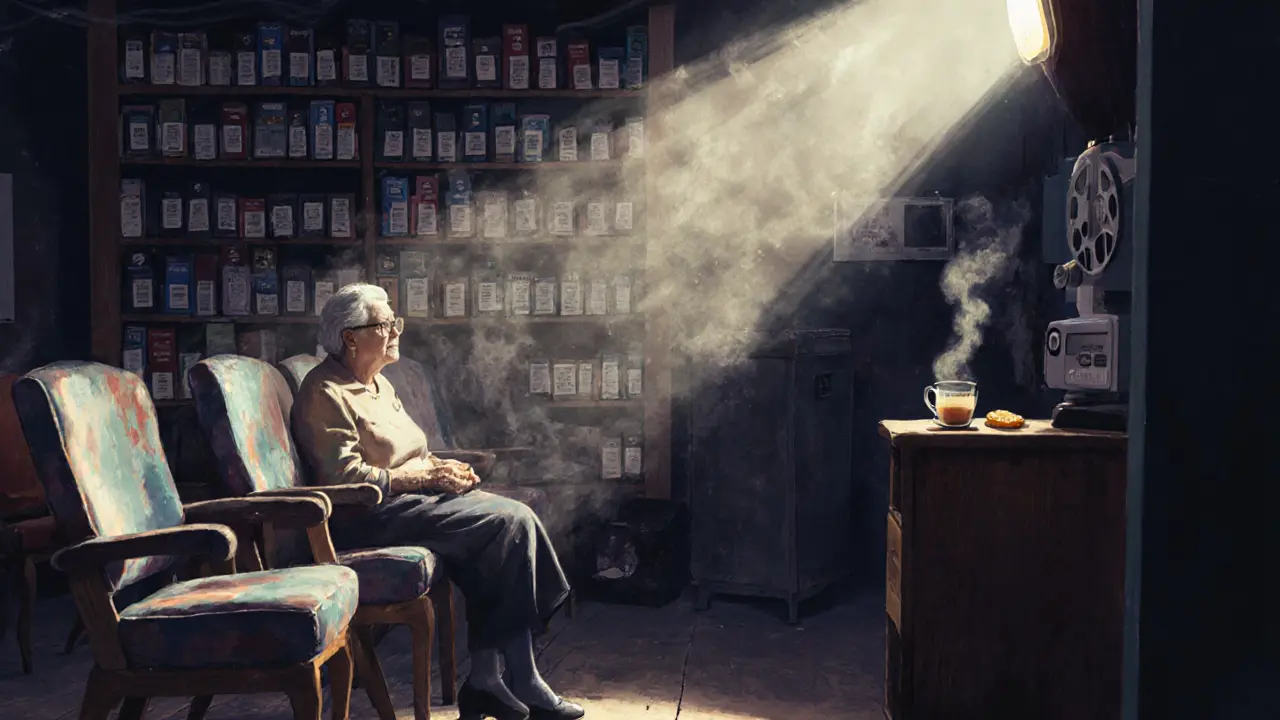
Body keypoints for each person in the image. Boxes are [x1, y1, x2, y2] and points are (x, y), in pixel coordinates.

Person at [291, 283, 583, 720]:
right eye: (385, 324)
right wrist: (424, 476)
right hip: (369, 515)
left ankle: (489, 678)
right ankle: (520, 679)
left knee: (507, 526)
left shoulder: (378, 385)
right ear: (350, 336)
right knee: (506, 523)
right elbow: (344, 478)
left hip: (412, 501)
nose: (396, 331)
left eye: (395, 322)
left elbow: (413, 452)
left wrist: (443, 468)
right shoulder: (324, 393)